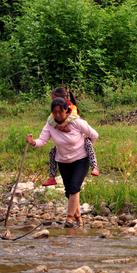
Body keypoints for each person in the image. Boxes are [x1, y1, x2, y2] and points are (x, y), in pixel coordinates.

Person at [26, 97, 99, 228]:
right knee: (69, 192)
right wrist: (32, 142)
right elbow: (42, 141)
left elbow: (94, 134)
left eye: (60, 112)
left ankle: (69, 218)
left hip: (81, 159)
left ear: (67, 110)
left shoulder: (77, 122)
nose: (58, 115)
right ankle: (79, 218)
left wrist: (87, 146)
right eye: (55, 112)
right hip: (63, 161)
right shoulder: (50, 124)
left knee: (74, 188)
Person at [43, 87, 99, 187]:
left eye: (55, 99)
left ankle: (95, 167)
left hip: (81, 137)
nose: (54, 102)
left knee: (89, 146)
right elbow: (50, 119)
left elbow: (74, 117)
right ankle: (52, 177)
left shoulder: (71, 108)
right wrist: (58, 127)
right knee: (52, 152)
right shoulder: (56, 111)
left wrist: (63, 125)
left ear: (64, 99)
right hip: (65, 148)